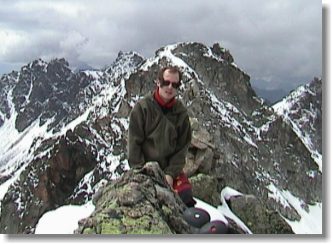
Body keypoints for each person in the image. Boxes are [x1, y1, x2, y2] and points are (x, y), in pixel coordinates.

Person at [128, 66, 195, 207]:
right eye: (166, 82)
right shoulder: (142, 108)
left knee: (185, 199)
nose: (170, 87)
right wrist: (142, 172)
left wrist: (170, 174)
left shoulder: (181, 113)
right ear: (158, 82)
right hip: (146, 169)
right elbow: (134, 145)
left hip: (170, 171)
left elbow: (182, 149)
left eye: (175, 84)